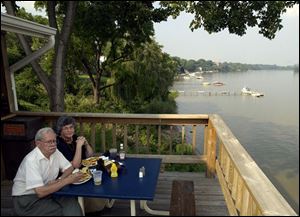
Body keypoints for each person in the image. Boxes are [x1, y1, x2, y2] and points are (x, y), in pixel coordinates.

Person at [12, 127, 83, 216]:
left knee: (71, 202)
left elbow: (69, 168)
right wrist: (67, 180)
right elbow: (40, 192)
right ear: (38, 144)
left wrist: (60, 179)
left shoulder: (55, 152)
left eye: (54, 141)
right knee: (60, 211)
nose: (53, 144)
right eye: (49, 142)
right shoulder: (31, 160)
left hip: (48, 191)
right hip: (26, 199)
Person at [55, 116, 108, 213]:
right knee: (96, 199)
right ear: (60, 130)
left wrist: (86, 144)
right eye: (66, 128)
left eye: (71, 127)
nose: (69, 130)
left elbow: (90, 155)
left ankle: (99, 203)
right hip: (70, 178)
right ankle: (85, 208)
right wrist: (78, 146)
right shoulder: (59, 144)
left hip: (85, 172)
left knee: (103, 181)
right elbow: (76, 165)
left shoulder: (75, 138)